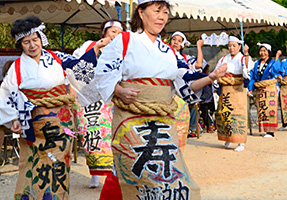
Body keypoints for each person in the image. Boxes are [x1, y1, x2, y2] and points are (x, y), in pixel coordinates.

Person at [83, 0, 227, 199]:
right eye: (157, 11)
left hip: (162, 123)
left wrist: (209, 78)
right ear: (141, 13)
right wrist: (119, 90)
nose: (162, 16)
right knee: (130, 171)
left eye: (165, 12)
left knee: (167, 176)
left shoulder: (169, 52)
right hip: (131, 120)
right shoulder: (124, 41)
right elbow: (103, 74)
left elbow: (184, 84)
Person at [0, 16, 109, 199]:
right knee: (32, 163)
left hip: (60, 121)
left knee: (59, 163)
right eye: (26, 42)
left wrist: (96, 49)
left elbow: (79, 67)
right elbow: (6, 93)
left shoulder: (57, 57)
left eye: (35, 39)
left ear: (41, 38)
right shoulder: (17, 67)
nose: (32, 45)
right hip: (33, 122)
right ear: (20, 45)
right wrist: (14, 120)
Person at [71, 19, 126, 188]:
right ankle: (94, 175)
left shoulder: (122, 49)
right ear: (104, 33)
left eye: (119, 32)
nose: (116, 35)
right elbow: (75, 67)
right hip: (89, 98)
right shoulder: (89, 45)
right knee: (92, 136)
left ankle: (115, 174)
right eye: (113, 31)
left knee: (113, 136)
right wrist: (97, 48)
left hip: (110, 97)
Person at [215, 36, 254, 151]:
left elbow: (247, 68)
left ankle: (240, 142)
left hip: (238, 88)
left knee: (238, 113)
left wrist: (246, 54)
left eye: (234, 46)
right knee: (225, 113)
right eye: (230, 46)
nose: (231, 48)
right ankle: (228, 138)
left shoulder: (242, 58)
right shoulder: (223, 59)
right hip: (225, 88)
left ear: (239, 47)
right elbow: (217, 71)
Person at [169, 31, 207, 146]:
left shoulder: (185, 58)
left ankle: (178, 148)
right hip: (169, 89)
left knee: (180, 122)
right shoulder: (164, 52)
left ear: (183, 45)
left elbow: (199, 65)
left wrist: (199, 47)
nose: (175, 42)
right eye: (174, 39)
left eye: (179, 41)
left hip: (181, 93)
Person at [248, 42, 282, 138]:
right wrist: (250, 88)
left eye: (265, 51)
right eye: (261, 51)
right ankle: (264, 130)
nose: (262, 53)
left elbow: (275, 71)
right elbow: (253, 76)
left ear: (269, 52)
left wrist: (277, 58)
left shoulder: (272, 63)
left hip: (270, 88)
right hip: (260, 88)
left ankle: (271, 131)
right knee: (262, 109)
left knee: (270, 109)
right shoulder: (256, 63)